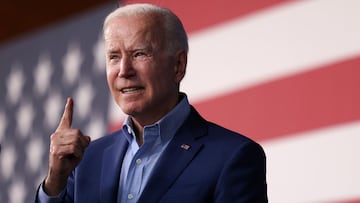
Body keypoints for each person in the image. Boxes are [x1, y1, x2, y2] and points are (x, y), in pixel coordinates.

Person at [34, 3, 268, 203]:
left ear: (178, 65)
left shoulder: (234, 156)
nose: (124, 71)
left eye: (139, 54)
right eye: (114, 56)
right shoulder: (86, 159)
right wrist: (55, 181)